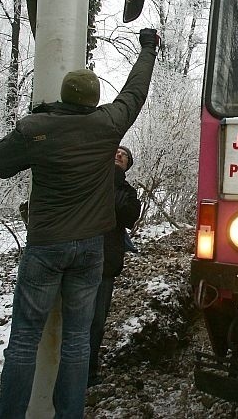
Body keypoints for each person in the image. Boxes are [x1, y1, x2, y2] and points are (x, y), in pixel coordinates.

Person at [0, 28, 160, 419]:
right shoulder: (108, 125)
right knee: (79, 341)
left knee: (25, 341)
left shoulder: (36, 129)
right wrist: (148, 47)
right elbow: (136, 91)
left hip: (46, 246)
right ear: (95, 100)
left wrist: (34, 130)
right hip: (89, 250)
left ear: (63, 96)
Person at [88, 145, 142, 386]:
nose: (119, 154)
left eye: (124, 155)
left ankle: (88, 372)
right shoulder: (90, 179)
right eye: (116, 152)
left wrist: (114, 179)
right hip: (78, 258)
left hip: (105, 263)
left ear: (127, 165)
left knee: (96, 322)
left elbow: (126, 215)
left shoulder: (129, 193)